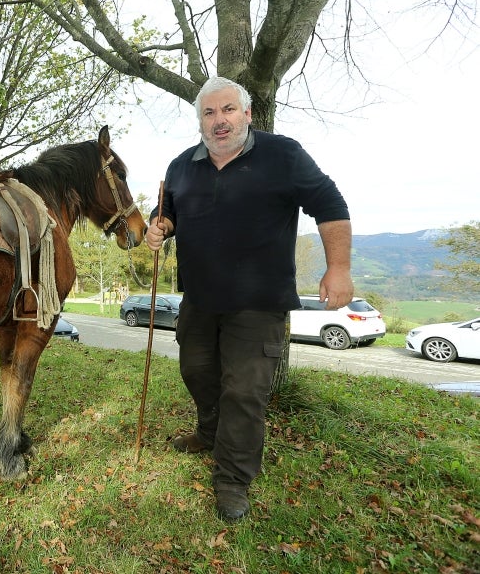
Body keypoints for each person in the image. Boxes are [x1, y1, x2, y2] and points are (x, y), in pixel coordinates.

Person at [145, 76, 353, 522]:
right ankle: (209, 433)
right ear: (200, 121)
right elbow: (166, 211)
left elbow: (330, 204)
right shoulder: (182, 165)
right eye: (209, 113)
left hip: (259, 302)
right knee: (196, 371)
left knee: (244, 391)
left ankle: (232, 479)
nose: (219, 120)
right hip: (199, 299)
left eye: (228, 110)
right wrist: (159, 226)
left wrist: (338, 268)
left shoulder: (284, 155)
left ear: (247, 113)